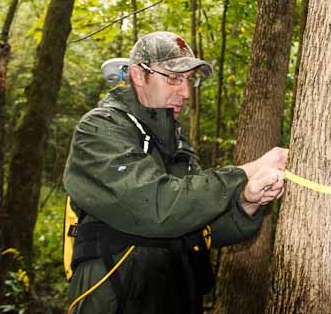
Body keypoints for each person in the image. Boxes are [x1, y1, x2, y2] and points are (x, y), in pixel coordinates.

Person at [63, 31, 288, 314]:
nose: (185, 91)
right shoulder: (99, 129)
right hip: (113, 298)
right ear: (138, 74)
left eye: (189, 80)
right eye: (173, 78)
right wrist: (243, 173)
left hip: (175, 295)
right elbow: (156, 207)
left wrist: (246, 202)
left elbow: (198, 226)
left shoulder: (177, 143)